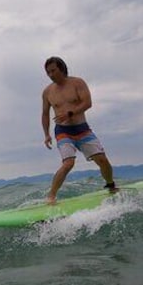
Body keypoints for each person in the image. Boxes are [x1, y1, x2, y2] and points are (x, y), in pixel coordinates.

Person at [41, 56, 115, 204]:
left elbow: (88, 103)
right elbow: (44, 114)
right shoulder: (47, 92)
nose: (50, 75)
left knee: (102, 160)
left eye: (53, 71)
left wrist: (70, 113)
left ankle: (110, 185)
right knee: (68, 163)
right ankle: (51, 197)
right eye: (48, 72)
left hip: (82, 129)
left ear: (61, 69)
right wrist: (47, 135)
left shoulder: (77, 83)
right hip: (63, 131)